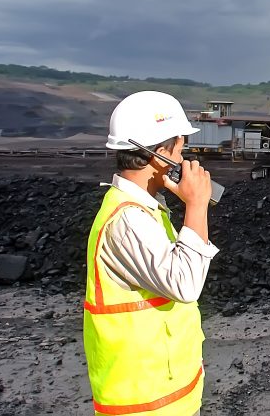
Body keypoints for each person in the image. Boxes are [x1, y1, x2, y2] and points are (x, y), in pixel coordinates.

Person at [82, 90, 218, 416]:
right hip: (142, 406)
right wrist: (197, 205)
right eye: (181, 150)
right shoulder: (127, 220)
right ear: (160, 155)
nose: (185, 161)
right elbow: (184, 284)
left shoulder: (146, 211)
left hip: (167, 397)